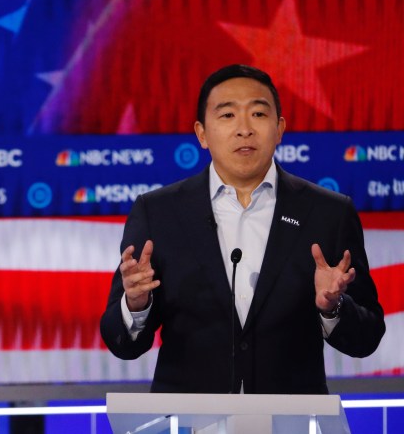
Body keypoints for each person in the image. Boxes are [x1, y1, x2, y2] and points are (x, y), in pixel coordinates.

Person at [100, 65, 385, 394]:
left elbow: (366, 338)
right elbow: (122, 343)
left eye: (258, 114)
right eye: (227, 116)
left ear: (279, 129)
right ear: (202, 134)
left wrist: (333, 307)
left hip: (290, 419)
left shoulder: (328, 213)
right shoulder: (158, 213)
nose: (244, 130)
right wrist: (136, 303)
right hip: (189, 421)